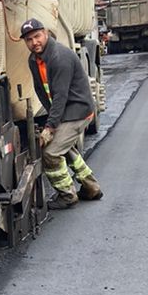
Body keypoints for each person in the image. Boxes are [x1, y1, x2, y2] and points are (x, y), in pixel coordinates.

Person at [20, 17, 104, 210]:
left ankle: (67, 195)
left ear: (46, 34)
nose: (34, 42)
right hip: (65, 111)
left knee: (50, 152)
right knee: (63, 147)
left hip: (77, 110)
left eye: (37, 36)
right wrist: (52, 120)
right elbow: (42, 92)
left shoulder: (59, 57)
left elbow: (60, 96)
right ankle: (91, 187)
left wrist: (50, 127)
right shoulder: (34, 60)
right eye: (29, 40)